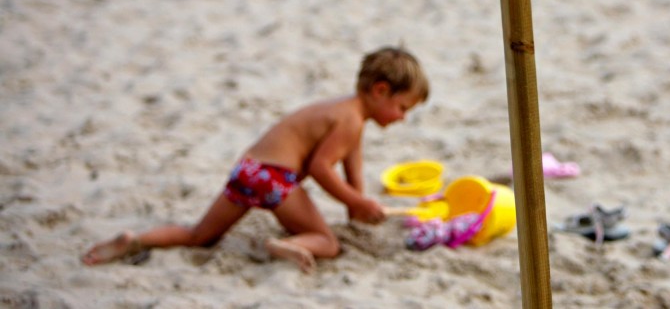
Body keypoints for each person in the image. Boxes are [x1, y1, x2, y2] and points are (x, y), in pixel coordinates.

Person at [81, 46, 429, 273]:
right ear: (380, 90)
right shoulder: (350, 120)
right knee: (327, 241)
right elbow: (320, 168)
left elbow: (352, 166)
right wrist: (356, 201)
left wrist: (357, 204)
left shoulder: (347, 113)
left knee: (199, 234)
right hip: (275, 178)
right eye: (402, 108)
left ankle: (135, 240)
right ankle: (285, 244)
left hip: (248, 169)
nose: (402, 117)